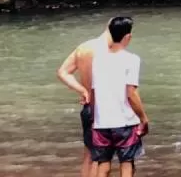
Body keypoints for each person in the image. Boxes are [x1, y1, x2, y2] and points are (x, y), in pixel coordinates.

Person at [89, 16, 149, 177]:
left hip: (101, 122)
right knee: (127, 163)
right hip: (125, 122)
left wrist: (94, 118)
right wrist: (143, 118)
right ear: (128, 37)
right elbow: (131, 93)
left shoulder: (97, 59)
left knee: (103, 164)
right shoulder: (132, 59)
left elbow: (93, 92)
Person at [57, 21, 114, 177]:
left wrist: (82, 89)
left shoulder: (84, 47)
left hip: (88, 106)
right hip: (104, 108)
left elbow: (63, 72)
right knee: (101, 158)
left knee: (89, 156)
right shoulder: (111, 51)